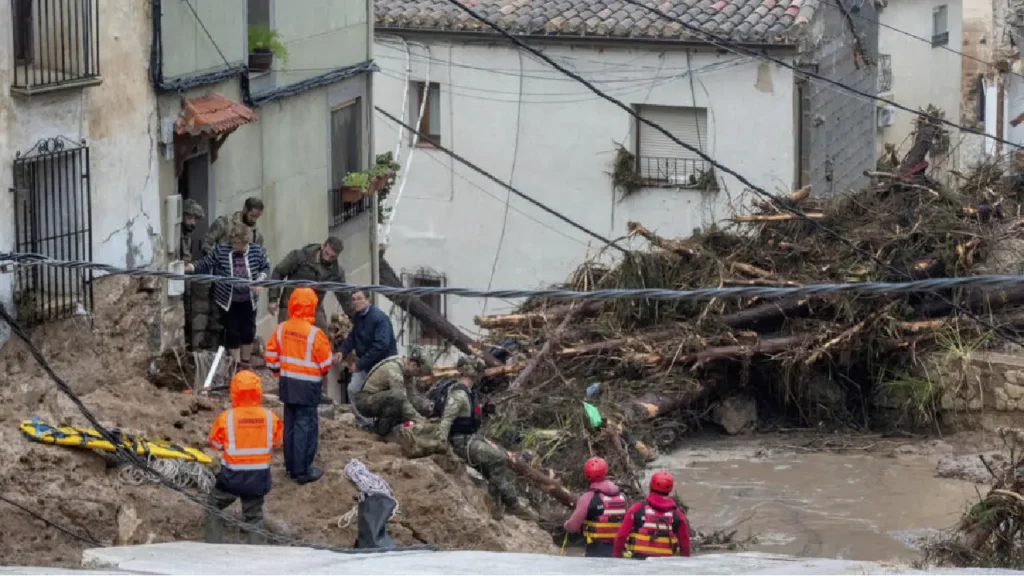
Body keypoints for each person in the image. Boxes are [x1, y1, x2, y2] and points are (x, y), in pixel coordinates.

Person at [433, 358, 537, 521]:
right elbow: (446, 420)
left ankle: (505, 499)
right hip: (461, 442)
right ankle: (503, 505)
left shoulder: (469, 392)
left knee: (501, 455)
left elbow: (469, 418)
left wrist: (484, 411)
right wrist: (441, 445)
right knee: (497, 459)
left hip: (471, 438)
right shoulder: (459, 394)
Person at [204, 370, 283, 544]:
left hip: (232, 477)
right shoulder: (270, 418)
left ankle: (212, 548)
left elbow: (215, 444)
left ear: (234, 392)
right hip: (258, 478)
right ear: (258, 392)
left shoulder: (226, 418)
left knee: (213, 506)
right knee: (254, 517)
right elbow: (277, 443)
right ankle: (256, 557)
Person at [263, 287, 333, 485]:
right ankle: (302, 471)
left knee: (290, 425)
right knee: (306, 427)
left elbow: (270, 355)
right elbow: (326, 362)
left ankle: (290, 466)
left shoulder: (282, 328)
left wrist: (278, 371)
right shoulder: (314, 334)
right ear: (312, 306)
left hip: (287, 383)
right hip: (308, 386)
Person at [186, 221, 270, 370]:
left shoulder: (257, 251)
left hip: (248, 299)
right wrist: (191, 267)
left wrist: (259, 281)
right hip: (228, 300)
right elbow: (206, 263)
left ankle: (245, 363)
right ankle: (235, 365)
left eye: (237, 244)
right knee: (232, 331)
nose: (234, 246)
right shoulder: (222, 251)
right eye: (233, 243)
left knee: (248, 331)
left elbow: (265, 268)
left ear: (245, 242)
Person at [336, 290, 397, 426]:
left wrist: (359, 363)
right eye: (354, 299)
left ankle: (385, 425)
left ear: (368, 300)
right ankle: (365, 424)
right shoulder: (358, 317)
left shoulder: (379, 318)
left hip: (382, 364)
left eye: (359, 298)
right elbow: (352, 338)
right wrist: (342, 351)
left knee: (381, 395)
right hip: (365, 363)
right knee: (353, 389)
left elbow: (381, 346)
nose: (356, 302)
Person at [267, 237, 352, 329]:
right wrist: (273, 299)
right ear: (322, 246)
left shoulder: (337, 272)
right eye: (326, 253)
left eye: (332, 257)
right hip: (291, 305)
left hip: (315, 308)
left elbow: (344, 297)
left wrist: (354, 317)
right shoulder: (300, 256)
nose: (327, 258)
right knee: (288, 335)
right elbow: (278, 272)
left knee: (322, 336)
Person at [612, 471, 691, 559]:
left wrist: (617, 557)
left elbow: (621, 536)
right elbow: (685, 544)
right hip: (665, 565)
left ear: (651, 486)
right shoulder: (677, 514)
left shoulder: (637, 508)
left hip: (638, 563)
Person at [563, 457, 628, 557]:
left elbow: (573, 527)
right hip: (619, 549)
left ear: (586, 475)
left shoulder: (587, 498)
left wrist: (566, 525)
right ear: (605, 471)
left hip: (596, 550)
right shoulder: (622, 496)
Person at [353, 354, 426, 436]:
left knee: (404, 404)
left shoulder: (407, 371)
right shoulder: (394, 368)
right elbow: (402, 400)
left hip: (379, 398)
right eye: (419, 372)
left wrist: (427, 409)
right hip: (365, 401)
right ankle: (380, 433)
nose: (418, 376)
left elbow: (412, 397)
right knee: (397, 398)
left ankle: (382, 428)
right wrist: (419, 419)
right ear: (414, 365)